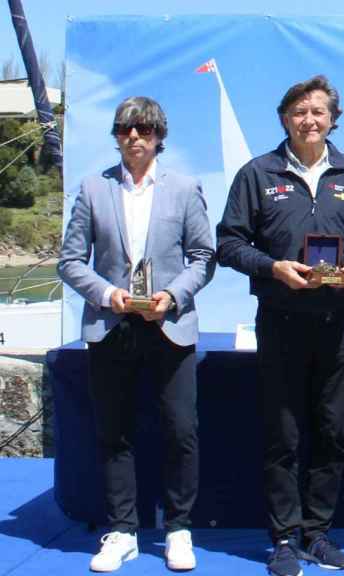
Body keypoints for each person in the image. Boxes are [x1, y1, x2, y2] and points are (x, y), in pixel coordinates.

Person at [216, 75, 344, 576]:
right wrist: (273, 268)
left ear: (333, 119)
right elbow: (229, 243)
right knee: (283, 434)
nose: (310, 120)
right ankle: (284, 538)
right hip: (281, 321)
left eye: (319, 112)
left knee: (331, 431)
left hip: (337, 322)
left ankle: (318, 533)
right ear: (285, 119)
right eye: (299, 112)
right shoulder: (256, 173)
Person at [58, 96, 215, 573]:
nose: (134, 137)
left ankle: (178, 529)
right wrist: (108, 295)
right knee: (114, 432)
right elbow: (70, 261)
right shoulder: (92, 188)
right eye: (126, 129)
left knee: (181, 432)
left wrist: (171, 296)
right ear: (117, 134)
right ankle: (123, 530)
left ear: (158, 136)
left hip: (168, 326)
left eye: (144, 129)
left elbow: (203, 256)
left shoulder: (186, 188)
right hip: (111, 327)